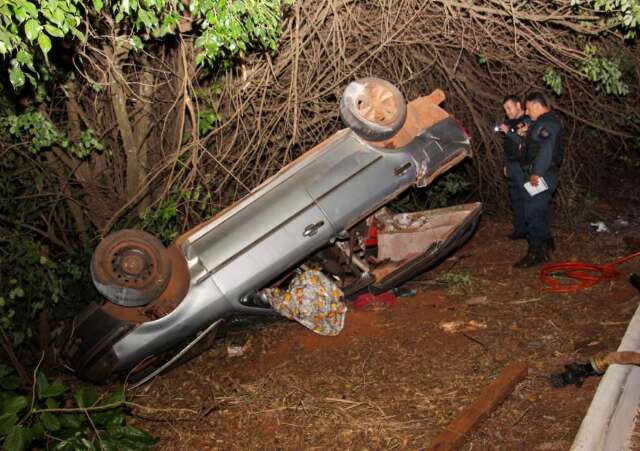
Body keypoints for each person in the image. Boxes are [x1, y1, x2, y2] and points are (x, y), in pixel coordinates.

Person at [514, 91, 564, 268]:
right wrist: (526, 133)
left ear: (536, 105)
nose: (526, 113)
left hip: (542, 174)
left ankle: (536, 253)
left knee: (533, 212)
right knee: (540, 210)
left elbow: (546, 149)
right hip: (542, 173)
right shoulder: (543, 122)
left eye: (528, 109)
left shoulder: (548, 123)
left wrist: (537, 172)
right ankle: (546, 243)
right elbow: (537, 142)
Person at [498, 95, 530, 240]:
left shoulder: (527, 121)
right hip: (511, 165)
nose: (507, 112)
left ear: (518, 105)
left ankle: (532, 230)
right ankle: (520, 229)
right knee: (515, 198)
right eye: (505, 109)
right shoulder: (510, 124)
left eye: (509, 108)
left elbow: (522, 143)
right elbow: (508, 147)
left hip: (523, 166)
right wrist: (505, 164)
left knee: (527, 198)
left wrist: (509, 133)